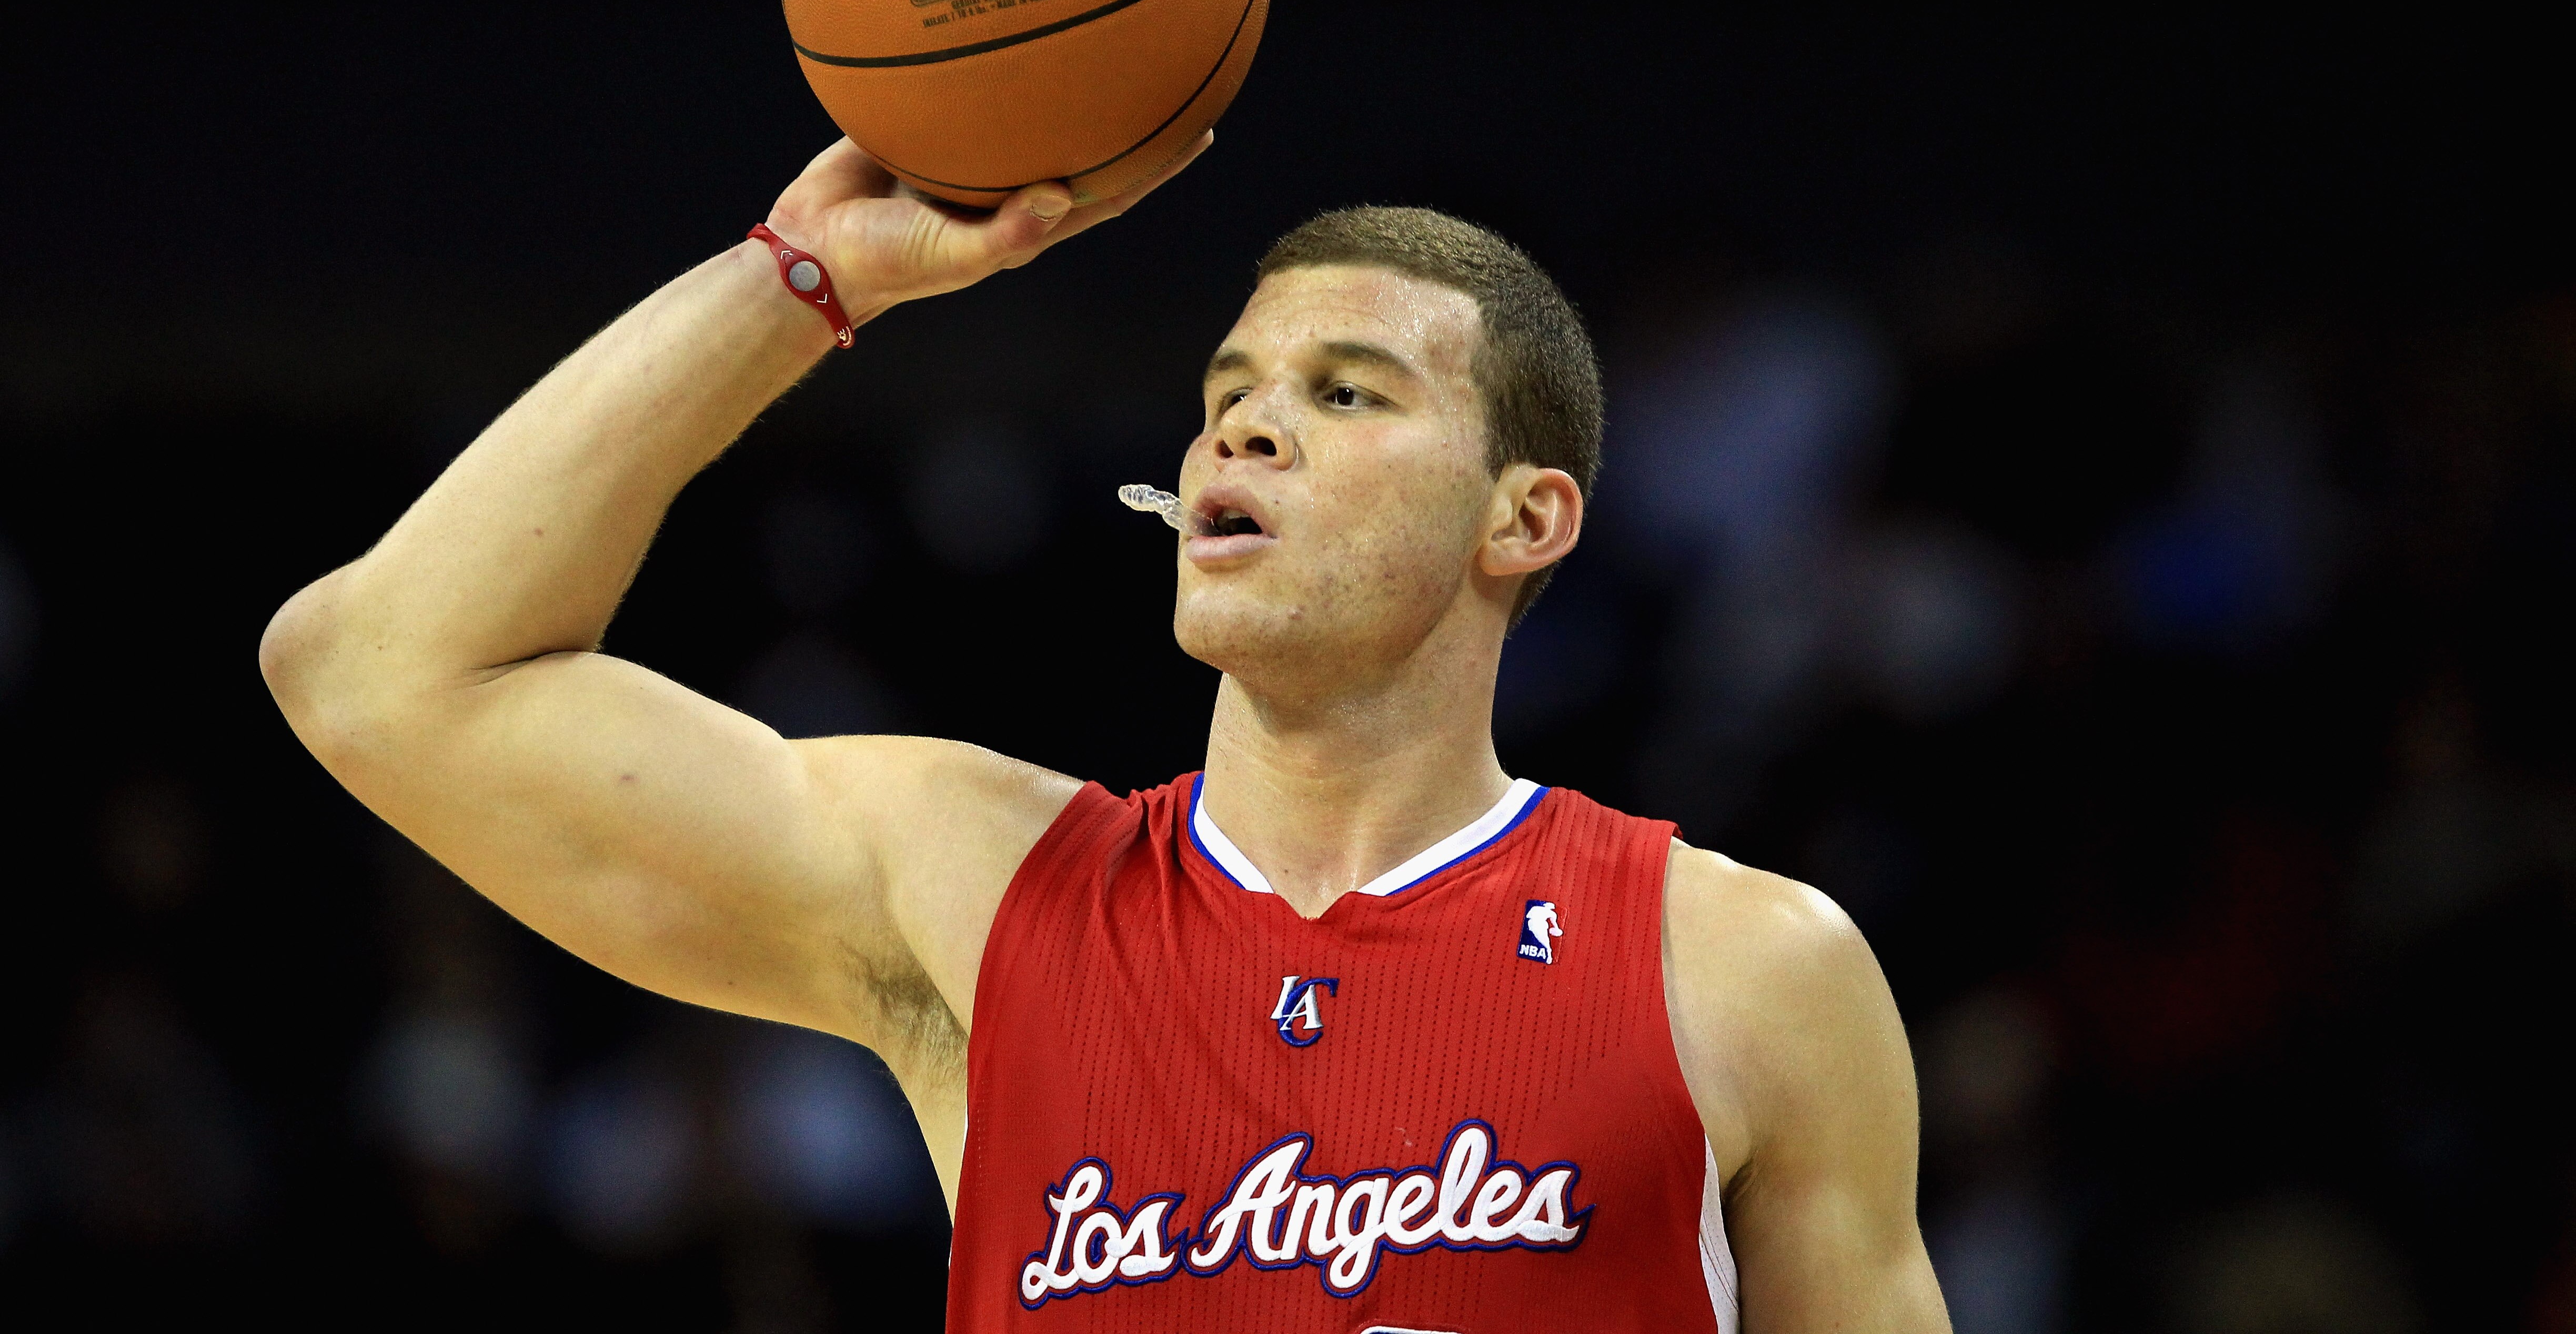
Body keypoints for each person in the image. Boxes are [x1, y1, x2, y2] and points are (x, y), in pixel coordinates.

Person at [260, 135, 1949, 1331]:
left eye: (1344, 394)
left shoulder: (1743, 967)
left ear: (1526, 518)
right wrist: (801, 281)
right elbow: (376, 673)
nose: (1251, 431)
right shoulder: (984, 891)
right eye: (1227, 399)